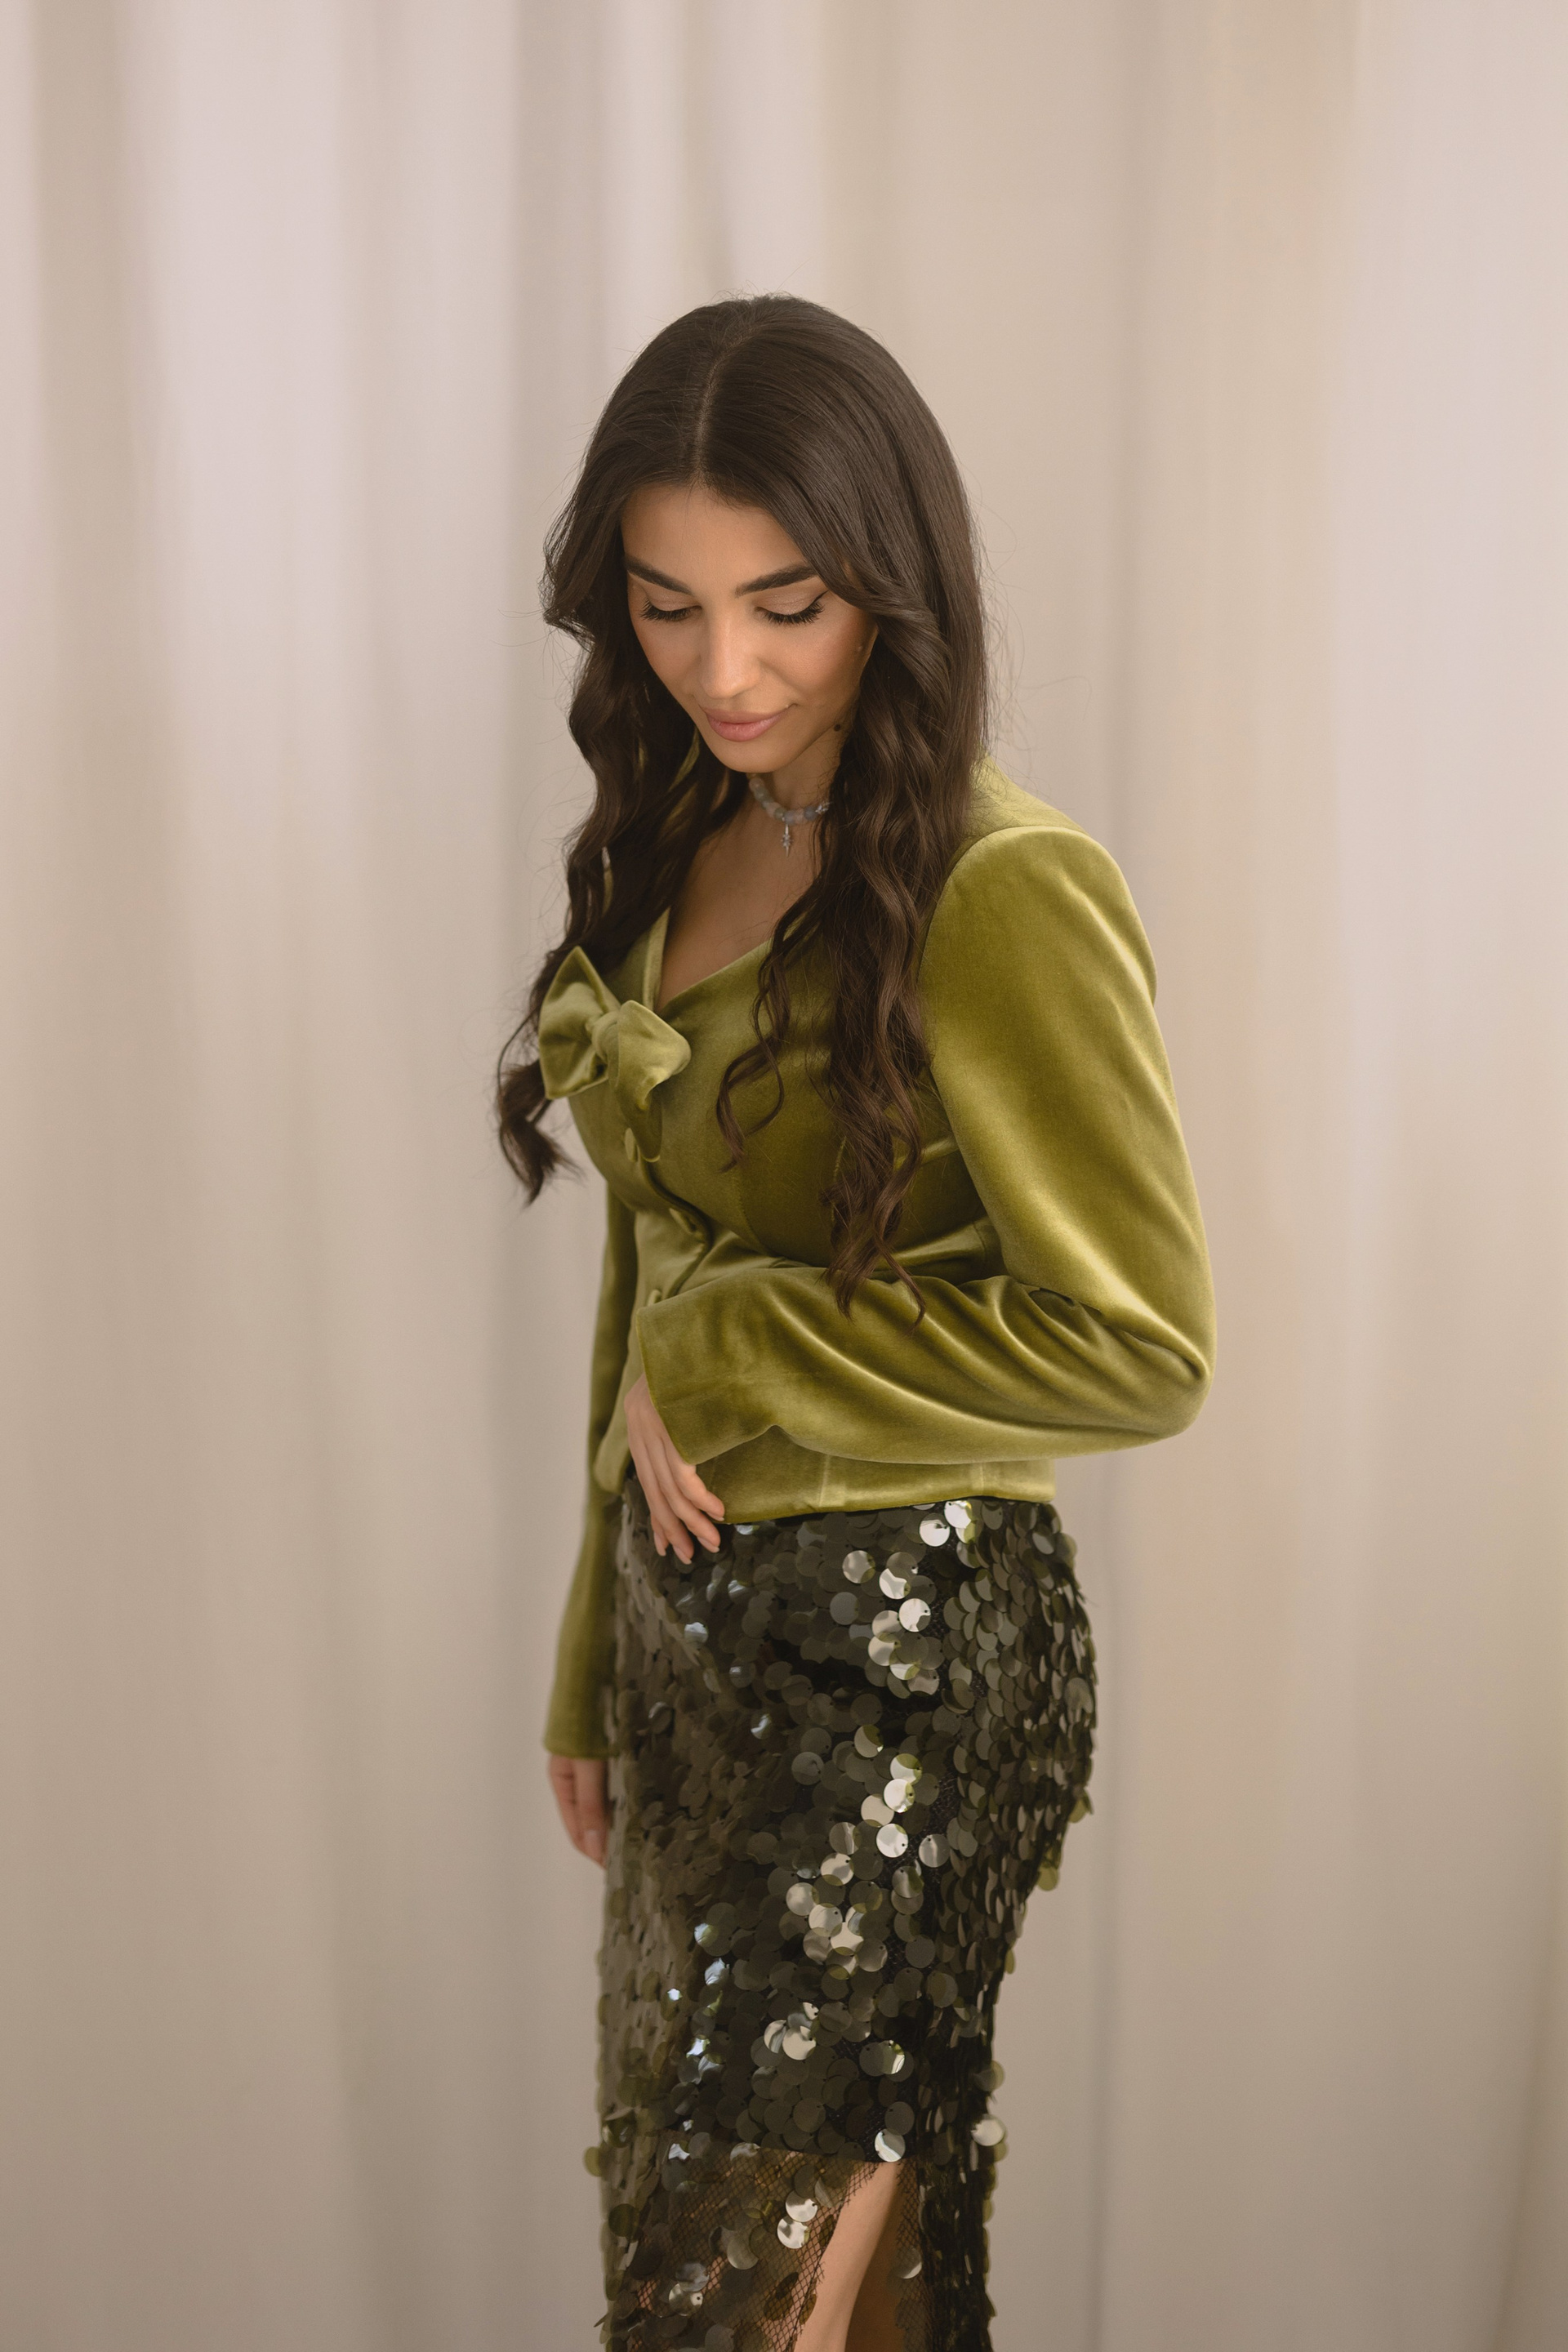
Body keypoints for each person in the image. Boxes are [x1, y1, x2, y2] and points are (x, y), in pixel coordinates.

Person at [498, 295, 1214, 2352]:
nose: (723, 667)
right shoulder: (686, 843)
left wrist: (748, 1357)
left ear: (889, 585)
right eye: (667, 607)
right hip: (695, 1659)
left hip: (899, 1661)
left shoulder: (1002, 883)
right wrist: (589, 1650)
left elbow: (1143, 1343)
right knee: (779, 2284)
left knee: (739, 2302)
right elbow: (649, 1280)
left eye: (785, 606)